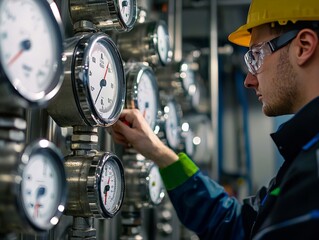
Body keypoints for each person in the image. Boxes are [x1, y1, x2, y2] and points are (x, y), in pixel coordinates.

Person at [110, 0, 319, 239]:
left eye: (256, 56)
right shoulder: (302, 158)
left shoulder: (313, 170)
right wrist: (158, 152)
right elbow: (238, 227)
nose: (249, 80)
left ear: (303, 47)